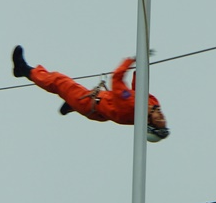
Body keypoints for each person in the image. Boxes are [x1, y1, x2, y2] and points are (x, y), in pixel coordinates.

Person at [12, 45, 170, 142]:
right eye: (164, 121)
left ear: (149, 124)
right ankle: (71, 105)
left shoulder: (131, 108)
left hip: (89, 104)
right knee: (71, 92)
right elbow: (138, 90)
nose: (162, 118)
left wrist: (131, 60)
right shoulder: (152, 104)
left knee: (58, 82)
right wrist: (141, 67)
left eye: (159, 122)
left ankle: (24, 70)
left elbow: (116, 79)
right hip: (100, 102)